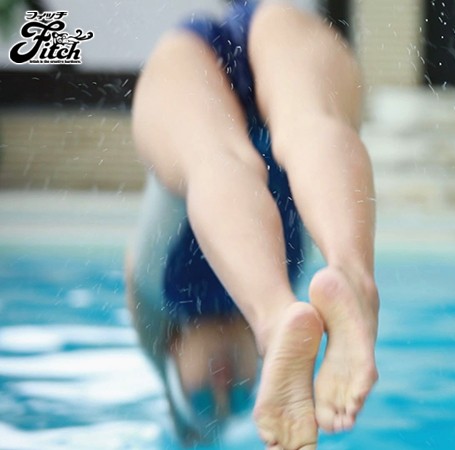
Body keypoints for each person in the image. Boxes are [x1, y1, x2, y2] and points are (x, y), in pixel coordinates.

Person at [123, 1, 379, 449]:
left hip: (188, 62)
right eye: (242, 396)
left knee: (213, 159)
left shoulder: (154, 293)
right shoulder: (287, 275)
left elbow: (151, 339)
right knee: (308, 121)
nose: (224, 386)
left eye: (203, 398)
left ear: (172, 354)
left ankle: (276, 322)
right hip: (280, 37)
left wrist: (185, 424)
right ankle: (346, 280)